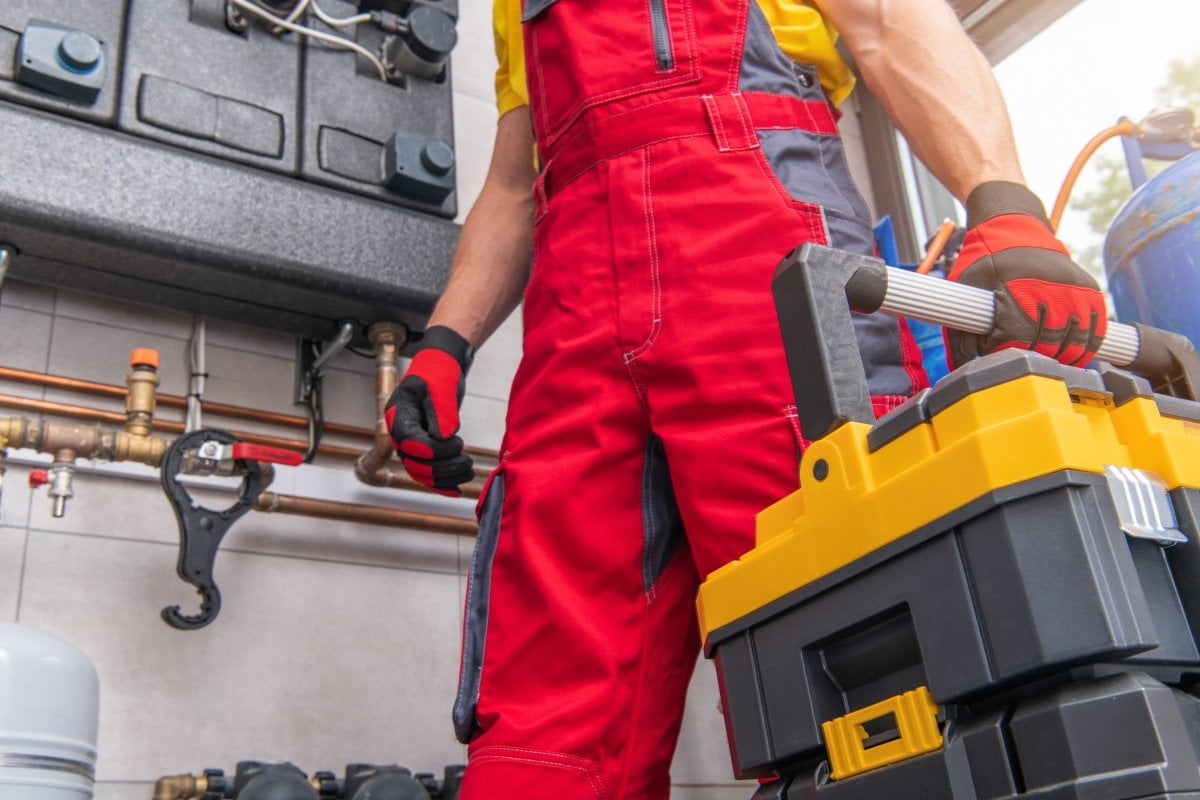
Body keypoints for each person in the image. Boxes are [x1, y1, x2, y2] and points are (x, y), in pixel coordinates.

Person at [385, 0, 1107, 796]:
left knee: (856, 655)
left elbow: (889, 23)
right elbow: (514, 183)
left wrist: (1004, 208)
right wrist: (445, 344)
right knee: (544, 715)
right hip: (575, 302)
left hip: (757, 246)